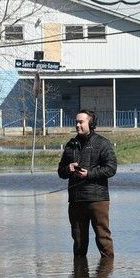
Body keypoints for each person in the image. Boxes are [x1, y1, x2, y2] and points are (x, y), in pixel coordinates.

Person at [57, 109, 117, 259]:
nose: (77, 125)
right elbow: (60, 172)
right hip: (76, 200)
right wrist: (68, 169)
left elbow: (111, 169)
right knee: (78, 241)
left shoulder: (103, 143)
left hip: (97, 199)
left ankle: (106, 276)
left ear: (91, 123)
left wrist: (89, 174)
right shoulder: (71, 144)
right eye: (76, 122)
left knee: (103, 239)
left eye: (81, 122)